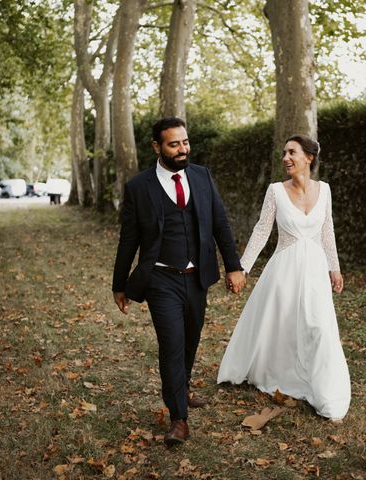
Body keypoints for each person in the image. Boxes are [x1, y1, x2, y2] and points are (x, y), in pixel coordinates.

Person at [112, 117, 246, 446]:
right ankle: (178, 418)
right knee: (171, 344)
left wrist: (234, 266)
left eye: (185, 142)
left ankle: (182, 386)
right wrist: (119, 284)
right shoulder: (138, 188)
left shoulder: (201, 176)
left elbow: (220, 224)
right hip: (160, 278)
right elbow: (128, 240)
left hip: (197, 276)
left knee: (191, 337)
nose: (183, 149)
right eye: (174, 144)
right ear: (157, 147)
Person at [217, 134, 350, 421]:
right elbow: (262, 230)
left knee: (319, 327)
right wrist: (243, 267)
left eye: (292, 152)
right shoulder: (275, 190)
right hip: (284, 269)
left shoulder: (324, 190)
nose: (285, 158)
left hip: (314, 270)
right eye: (284, 153)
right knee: (283, 325)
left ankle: (325, 389)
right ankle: (281, 373)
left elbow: (327, 232)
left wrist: (334, 267)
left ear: (308, 158)